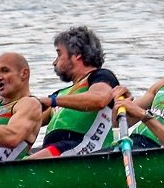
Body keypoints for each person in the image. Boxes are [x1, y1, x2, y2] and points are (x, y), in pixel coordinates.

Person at [29, 27, 121, 158]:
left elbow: (99, 100)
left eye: (59, 54)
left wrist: (52, 101)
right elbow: (29, 122)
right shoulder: (61, 94)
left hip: (86, 148)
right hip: (57, 149)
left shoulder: (101, 76)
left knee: (22, 165)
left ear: (77, 54)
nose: (54, 62)